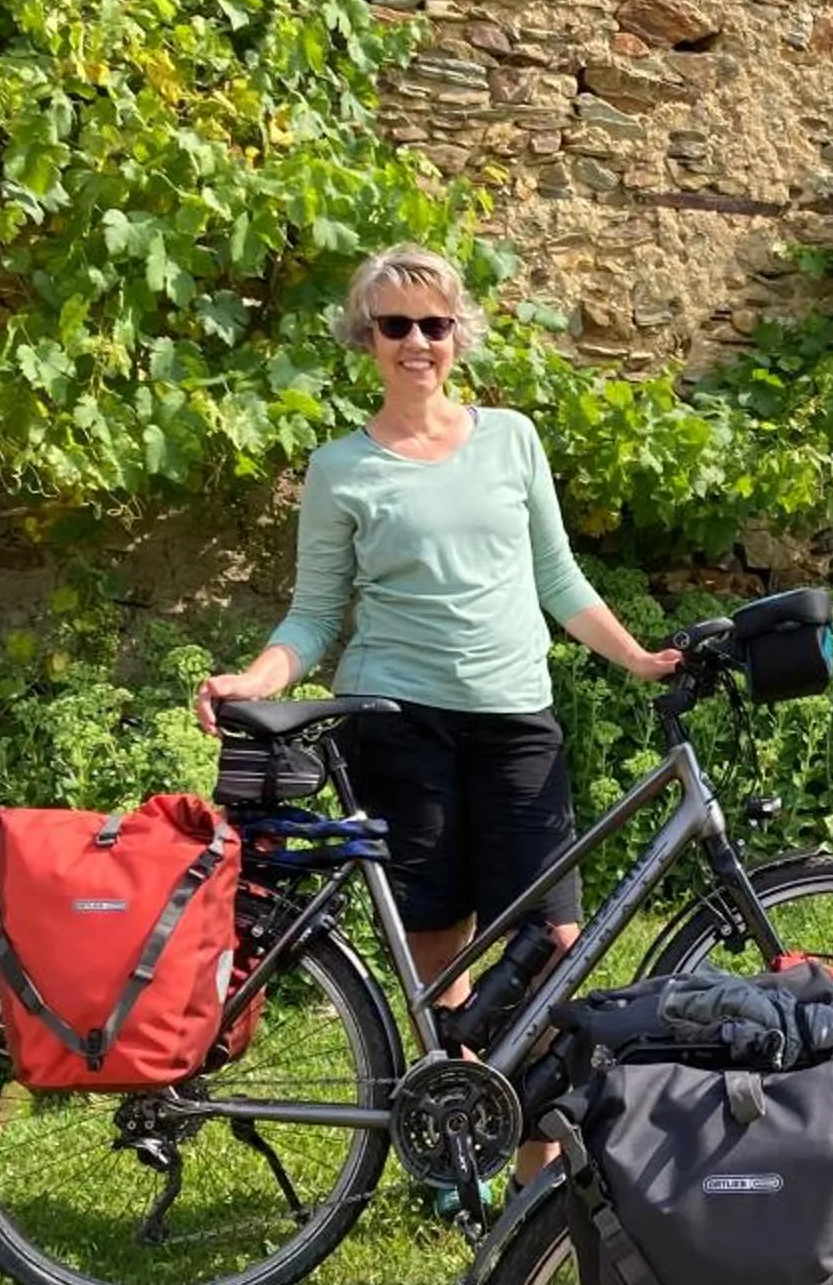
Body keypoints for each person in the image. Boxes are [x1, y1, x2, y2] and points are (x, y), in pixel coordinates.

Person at [197, 244, 680, 1047]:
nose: (417, 341)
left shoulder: (513, 440)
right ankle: (458, 1159)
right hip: (399, 725)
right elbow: (315, 615)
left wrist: (636, 657)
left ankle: (542, 1172)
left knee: (554, 950)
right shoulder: (340, 469)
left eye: (434, 323)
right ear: (368, 338)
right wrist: (255, 676)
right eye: (396, 325)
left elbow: (557, 579)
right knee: (437, 952)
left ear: (459, 334)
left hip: (518, 719)